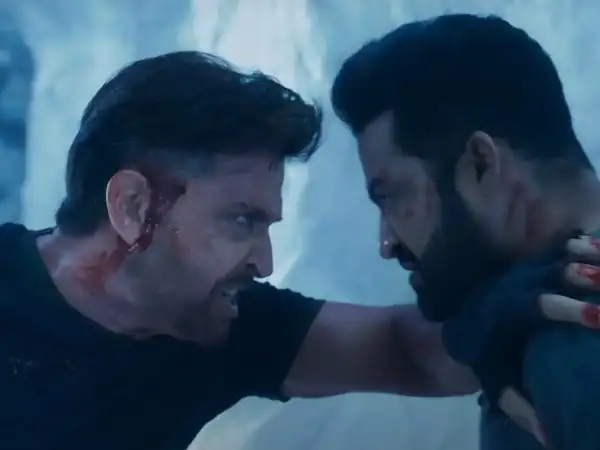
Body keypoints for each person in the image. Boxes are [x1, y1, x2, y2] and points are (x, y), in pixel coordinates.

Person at [0, 50, 594, 450]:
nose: (263, 262)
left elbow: (412, 352)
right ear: (133, 207)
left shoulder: (220, 330)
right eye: (241, 219)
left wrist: (511, 307)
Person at [331, 13, 600, 450]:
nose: (387, 243)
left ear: (480, 162)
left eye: (392, 196)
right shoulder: (516, 337)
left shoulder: (569, 351)